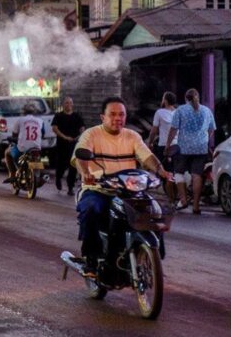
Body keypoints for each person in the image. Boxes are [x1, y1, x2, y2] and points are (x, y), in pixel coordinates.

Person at [72, 97, 171, 276]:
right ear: (103, 117)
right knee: (92, 209)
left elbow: (147, 156)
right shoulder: (91, 134)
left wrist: (161, 170)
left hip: (129, 191)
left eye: (121, 114)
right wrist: (86, 173)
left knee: (155, 210)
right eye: (113, 114)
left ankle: (153, 257)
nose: (118, 118)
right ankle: (91, 257)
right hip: (99, 190)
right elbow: (81, 156)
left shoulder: (132, 136)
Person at [165, 89, 215, 215]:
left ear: (186, 98)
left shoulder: (180, 110)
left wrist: (168, 145)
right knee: (197, 175)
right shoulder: (206, 111)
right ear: (197, 97)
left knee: (179, 172)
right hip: (201, 148)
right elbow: (211, 129)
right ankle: (196, 206)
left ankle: (183, 200)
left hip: (184, 148)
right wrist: (205, 140)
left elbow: (174, 129)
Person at [146, 91, 178, 204]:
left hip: (165, 147)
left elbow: (154, 130)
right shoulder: (178, 112)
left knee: (167, 173)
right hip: (179, 147)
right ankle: (178, 197)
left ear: (165, 100)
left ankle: (171, 200)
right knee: (176, 173)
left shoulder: (159, 112)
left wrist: (149, 143)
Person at [3, 103, 45, 183]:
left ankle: (12, 174)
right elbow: (43, 133)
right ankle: (38, 173)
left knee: (7, 152)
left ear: (23, 112)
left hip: (22, 148)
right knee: (38, 159)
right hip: (36, 147)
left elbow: (14, 134)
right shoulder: (40, 121)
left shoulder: (20, 120)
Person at [52, 97, 85, 195]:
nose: (68, 104)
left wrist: (79, 136)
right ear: (63, 105)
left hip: (73, 145)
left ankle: (70, 187)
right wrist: (65, 137)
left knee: (73, 166)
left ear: (72, 104)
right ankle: (58, 179)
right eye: (66, 103)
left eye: (70, 103)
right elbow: (54, 128)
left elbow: (82, 127)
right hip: (62, 145)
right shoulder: (58, 116)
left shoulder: (77, 116)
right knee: (61, 165)